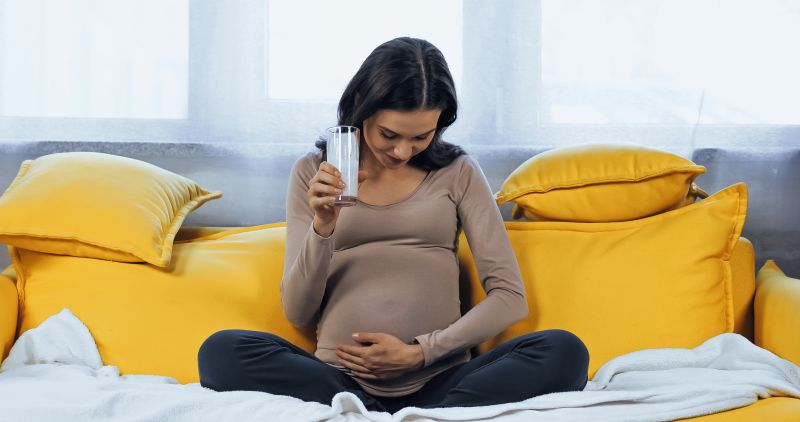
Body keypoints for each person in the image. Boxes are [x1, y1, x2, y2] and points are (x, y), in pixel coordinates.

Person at [197, 36, 589, 414]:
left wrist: (421, 352)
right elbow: (298, 311)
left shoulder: (457, 172)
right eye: (390, 134)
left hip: (444, 377)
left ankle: (400, 413)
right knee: (221, 351)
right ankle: (384, 412)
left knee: (564, 351)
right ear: (359, 105)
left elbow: (509, 297)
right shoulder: (313, 173)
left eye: (421, 136)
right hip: (338, 379)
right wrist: (323, 225)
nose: (402, 151)